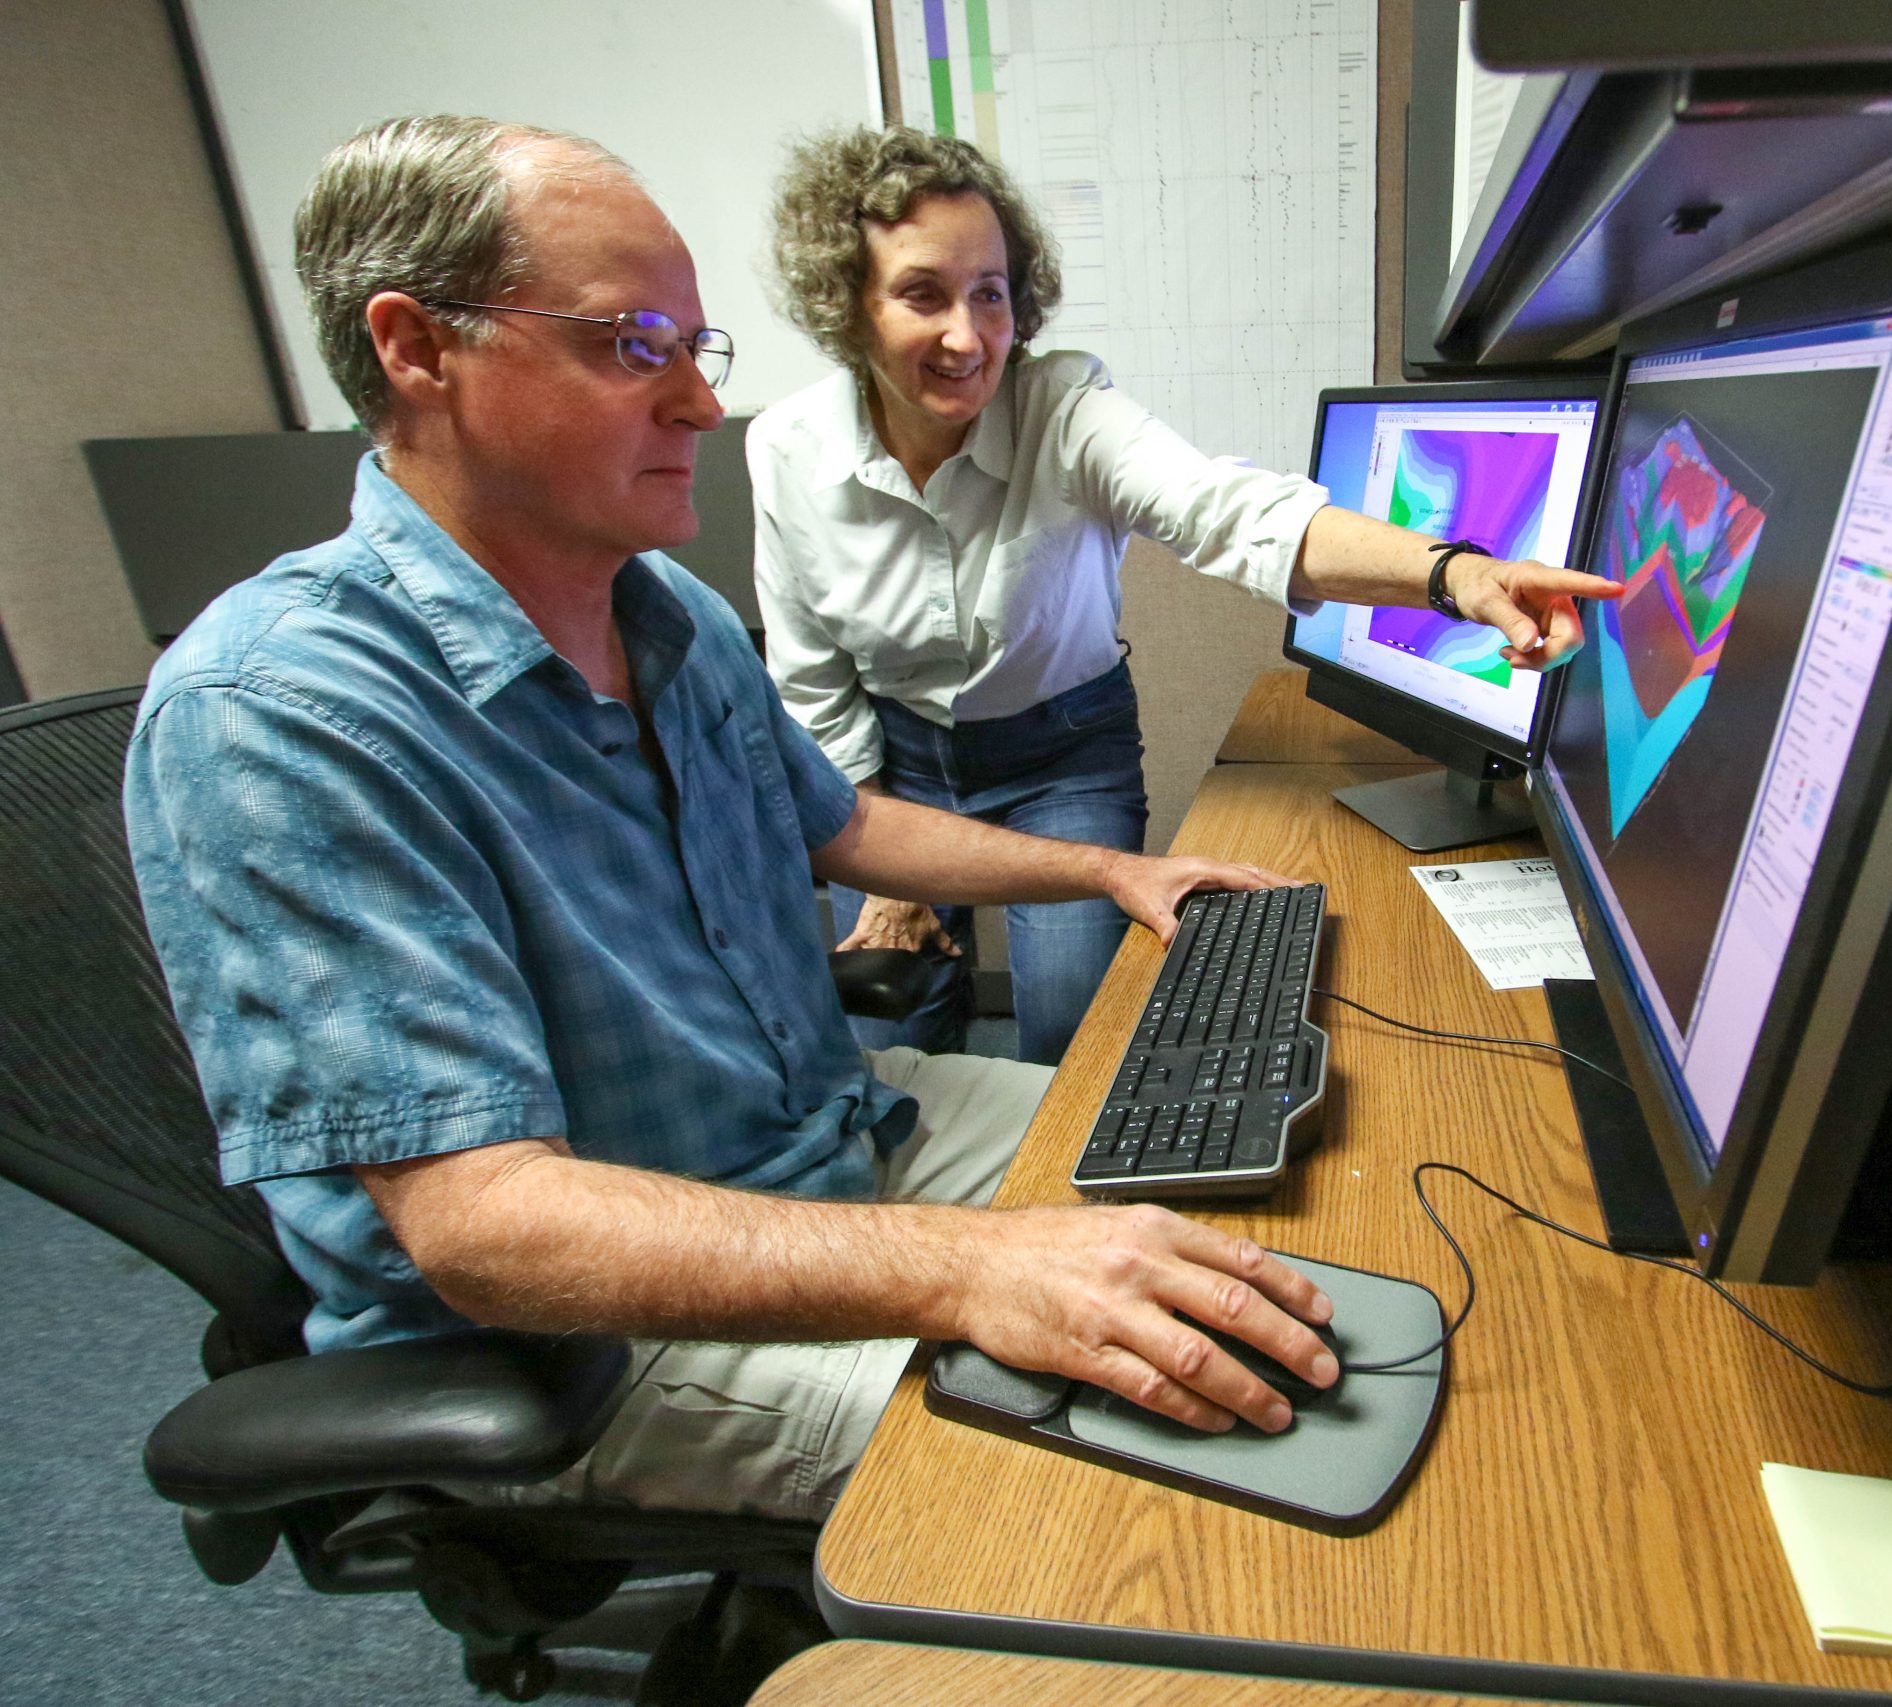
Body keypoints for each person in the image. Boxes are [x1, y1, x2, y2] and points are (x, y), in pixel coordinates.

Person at [124, 114, 1348, 1526]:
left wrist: (1110, 865)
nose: (705, 407)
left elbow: (846, 825)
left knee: (1259, 1176)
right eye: (631, 344)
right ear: (417, 347)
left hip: (831, 1132)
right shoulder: (279, 709)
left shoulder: (670, 614)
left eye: (692, 351)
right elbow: (488, 1228)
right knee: (1188, 1481)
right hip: (596, 1334)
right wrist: (969, 1266)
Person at [750, 127, 1618, 1065]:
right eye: (924, 294)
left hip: (1060, 757)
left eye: (990, 294)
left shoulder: (1065, 408)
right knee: (888, 1041)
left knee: (1076, 1041)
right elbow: (813, 688)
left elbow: (1229, 509)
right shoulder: (788, 450)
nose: (968, 336)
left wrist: (1457, 572)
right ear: (850, 304)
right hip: (888, 768)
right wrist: (880, 861)